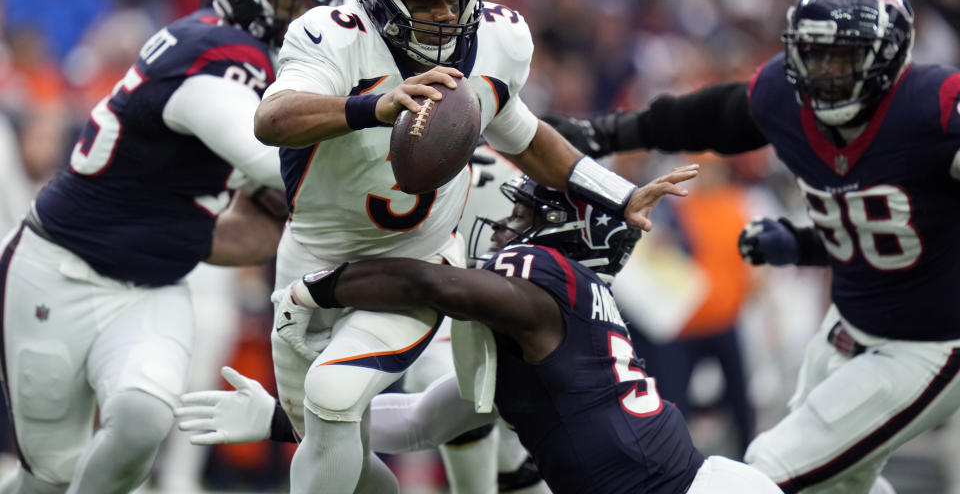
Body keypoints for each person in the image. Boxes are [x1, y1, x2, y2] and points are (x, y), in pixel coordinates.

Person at [253, 0, 691, 494]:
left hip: (417, 258)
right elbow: (271, 119)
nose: (445, 13)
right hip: (309, 259)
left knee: (334, 396)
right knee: (331, 444)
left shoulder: (496, 40)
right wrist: (372, 107)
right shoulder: (331, 35)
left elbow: (526, 137)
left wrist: (615, 193)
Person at [545, 0, 960, 493]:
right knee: (839, 484)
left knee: (768, 465)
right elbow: (705, 118)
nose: (824, 73)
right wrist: (606, 132)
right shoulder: (785, 98)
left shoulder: (936, 108)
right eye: (814, 54)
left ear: (890, 57)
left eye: (843, 57)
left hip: (931, 341)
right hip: (851, 324)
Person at [175, 171, 784, 493]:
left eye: (524, 214)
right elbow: (421, 422)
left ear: (565, 235)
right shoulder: (539, 332)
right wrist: (285, 420)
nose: (501, 225)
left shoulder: (546, 280)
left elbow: (439, 286)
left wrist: (322, 285)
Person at [0, 0, 342, 494]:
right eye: (291, 2)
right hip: (57, 271)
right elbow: (267, 157)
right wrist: (374, 131)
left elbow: (236, 226)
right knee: (51, 477)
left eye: (316, 8)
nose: (304, 21)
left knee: (143, 418)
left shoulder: (256, 64)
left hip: (154, 285)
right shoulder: (218, 50)